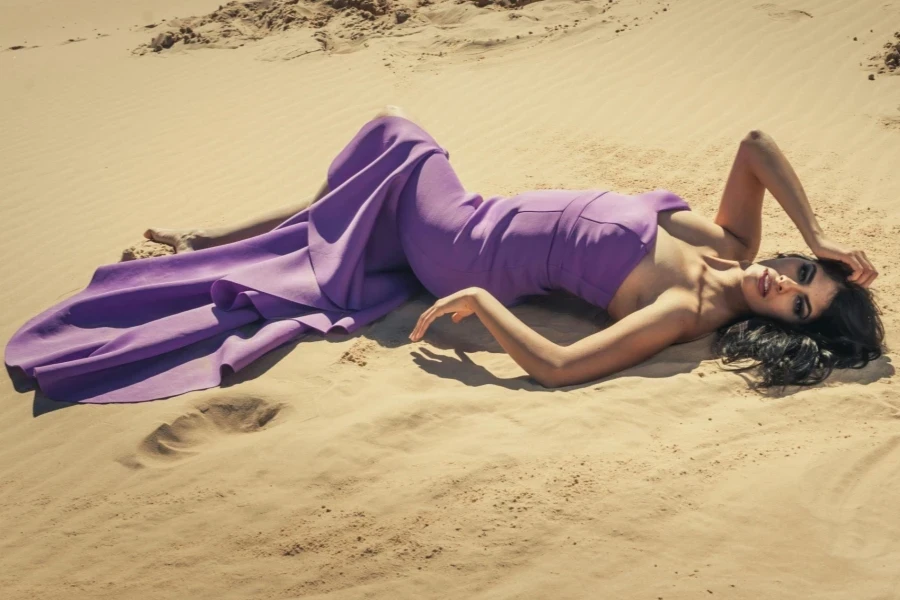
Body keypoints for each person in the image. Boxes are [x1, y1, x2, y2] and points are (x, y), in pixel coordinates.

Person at [5, 106, 885, 403]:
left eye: (795, 302)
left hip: (462, 245)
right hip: (480, 214)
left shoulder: (692, 309)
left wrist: (481, 303)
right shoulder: (735, 245)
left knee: (401, 137)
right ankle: (222, 238)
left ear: (785, 330)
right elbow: (758, 142)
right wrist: (819, 240)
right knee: (392, 165)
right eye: (805, 276)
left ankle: (220, 240)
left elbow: (565, 368)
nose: (785, 281)